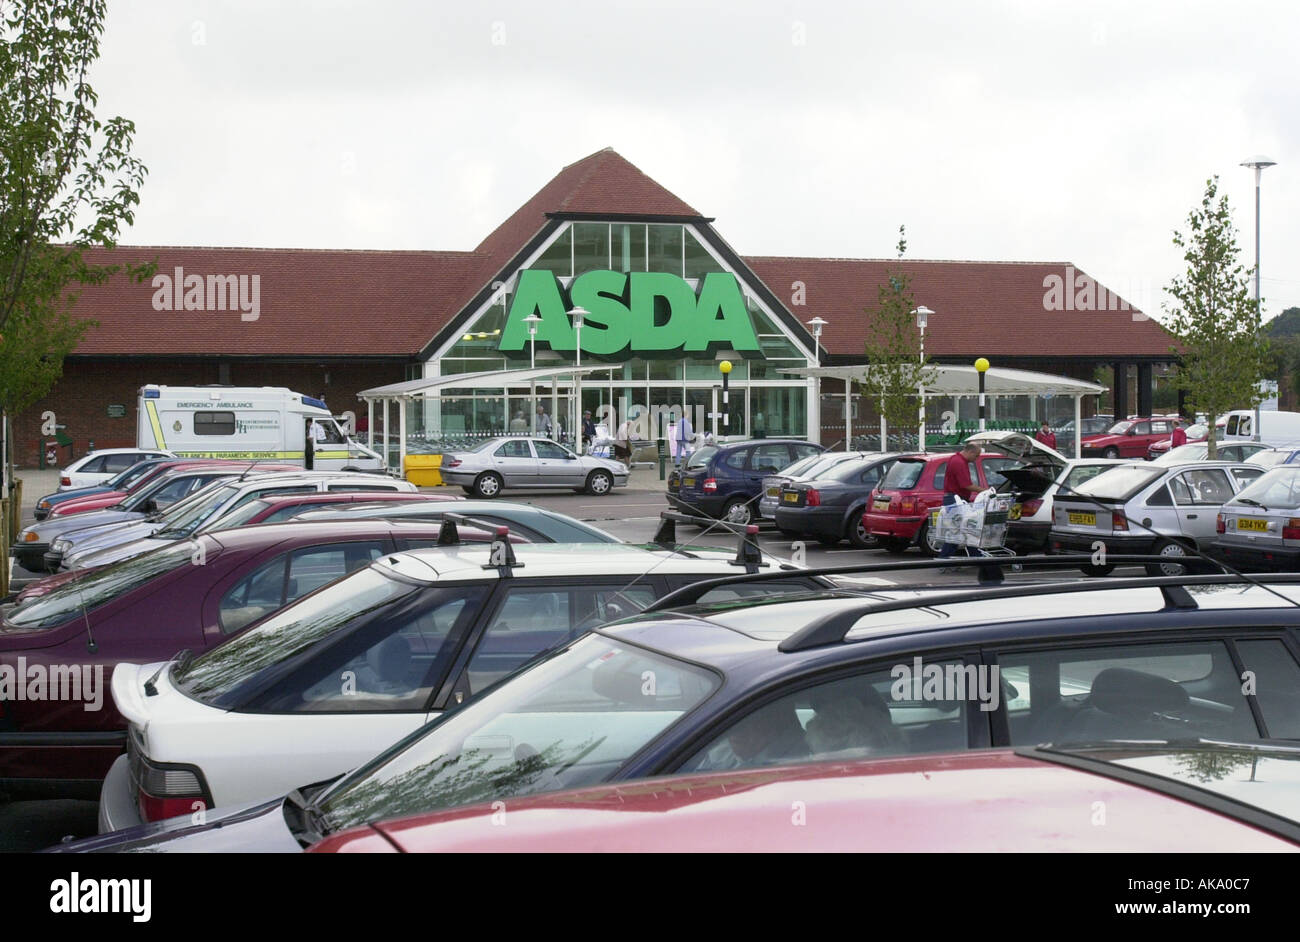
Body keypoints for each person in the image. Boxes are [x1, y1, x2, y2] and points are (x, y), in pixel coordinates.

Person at [938, 442, 983, 562]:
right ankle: (975, 556)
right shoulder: (959, 462)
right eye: (976, 456)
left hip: (954, 499)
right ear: (970, 452)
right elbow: (966, 485)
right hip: (956, 500)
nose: (976, 459)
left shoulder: (956, 459)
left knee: (958, 531)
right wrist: (984, 491)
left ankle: (945, 558)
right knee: (964, 529)